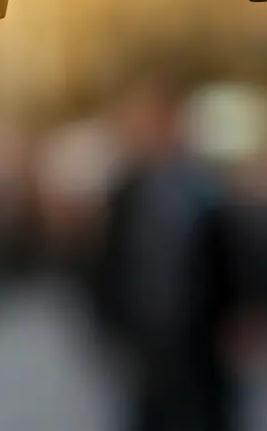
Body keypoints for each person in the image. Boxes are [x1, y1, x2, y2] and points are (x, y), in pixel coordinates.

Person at [93, 74, 241, 431]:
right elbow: (111, 261)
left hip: (199, 338)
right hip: (146, 342)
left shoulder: (206, 188)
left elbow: (230, 255)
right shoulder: (126, 191)